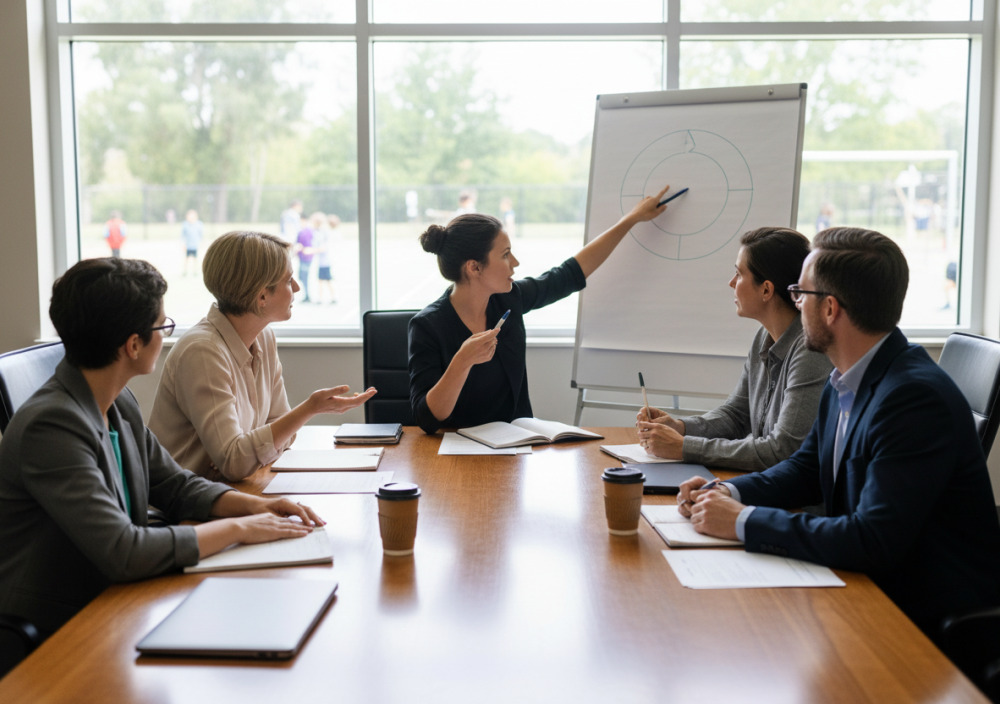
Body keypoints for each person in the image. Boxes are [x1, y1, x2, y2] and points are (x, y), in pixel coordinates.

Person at [677, 226, 1000, 640]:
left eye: (801, 294)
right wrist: (729, 493)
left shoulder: (913, 400)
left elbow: (872, 539)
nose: (794, 303)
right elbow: (806, 468)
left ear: (829, 309)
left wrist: (744, 521)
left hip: (922, 621)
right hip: (869, 590)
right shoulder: (846, 376)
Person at [0, 257, 324, 639]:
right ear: (133, 345)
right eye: (162, 326)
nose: (166, 335)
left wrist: (258, 506)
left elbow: (176, 485)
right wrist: (241, 528)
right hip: (61, 625)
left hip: (115, 601)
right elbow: (124, 551)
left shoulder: (118, 403)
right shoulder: (51, 427)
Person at [409, 184, 672, 434]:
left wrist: (631, 219)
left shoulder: (510, 299)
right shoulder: (428, 326)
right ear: (474, 267)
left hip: (517, 449)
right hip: (456, 458)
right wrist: (462, 361)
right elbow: (428, 419)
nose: (515, 262)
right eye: (505, 255)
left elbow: (568, 274)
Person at [149, 231, 376, 480]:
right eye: (289, 281)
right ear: (262, 296)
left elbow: (283, 434)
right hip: (183, 511)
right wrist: (309, 409)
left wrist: (246, 450)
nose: (298, 288)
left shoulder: (264, 337)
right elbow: (236, 463)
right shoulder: (203, 351)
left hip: (226, 492)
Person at [636, 227, 832, 470]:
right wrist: (680, 428)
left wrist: (684, 447)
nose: (731, 283)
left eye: (739, 274)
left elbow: (781, 450)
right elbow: (736, 415)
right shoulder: (764, 335)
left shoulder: (810, 350)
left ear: (766, 290)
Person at [313, 213, 339, 304]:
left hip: (325, 261)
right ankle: (327, 297)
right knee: (324, 280)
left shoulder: (325, 233)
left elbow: (323, 248)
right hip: (324, 261)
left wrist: (311, 250)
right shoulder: (322, 232)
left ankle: (330, 297)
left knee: (325, 280)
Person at [295, 215, 317, 303]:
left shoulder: (307, 232)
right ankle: (306, 294)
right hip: (301, 257)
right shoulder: (301, 231)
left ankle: (307, 295)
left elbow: (309, 245)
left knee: (304, 276)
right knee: (301, 276)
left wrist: (303, 249)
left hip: (306, 257)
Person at [181, 208, 203, 276]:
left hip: (195, 245)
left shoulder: (199, 224)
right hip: (188, 245)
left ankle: (195, 271)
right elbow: (182, 235)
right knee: (186, 259)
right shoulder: (185, 225)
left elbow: (200, 235)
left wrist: (201, 243)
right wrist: (183, 244)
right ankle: (185, 271)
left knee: (195, 259)